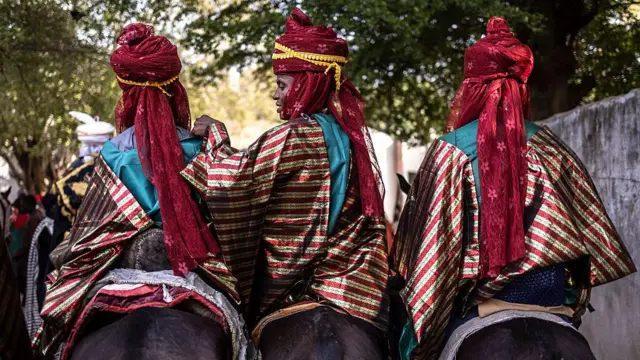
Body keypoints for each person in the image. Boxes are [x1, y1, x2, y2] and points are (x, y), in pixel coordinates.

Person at [391, 17, 636, 360]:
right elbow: (589, 243)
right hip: (550, 299)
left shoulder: (450, 149)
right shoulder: (551, 145)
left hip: (476, 308)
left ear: (471, 88)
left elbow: (427, 253)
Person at [33, 24, 252, 360]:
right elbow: (226, 218)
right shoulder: (199, 148)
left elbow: (88, 235)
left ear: (128, 96)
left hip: (120, 268)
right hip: (191, 271)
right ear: (174, 90)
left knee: (58, 327)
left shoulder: (112, 153)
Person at [183, 8, 389, 357]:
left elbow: (228, 182)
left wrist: (216, 136)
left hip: (293, 294)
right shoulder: (354, 140)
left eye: (281, 84)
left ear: (307, 82)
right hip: (357, 292)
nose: (275, 95)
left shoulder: (291, 137)